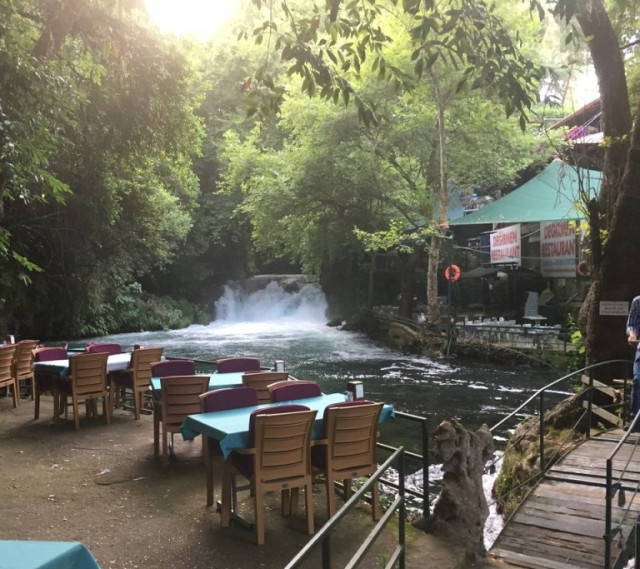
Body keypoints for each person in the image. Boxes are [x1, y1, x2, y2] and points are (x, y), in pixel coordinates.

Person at [626, 295, 640, 424]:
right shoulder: (638, 301)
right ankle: (635, 418)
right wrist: (632, 335)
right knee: (638, 380)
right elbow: (632, 323)